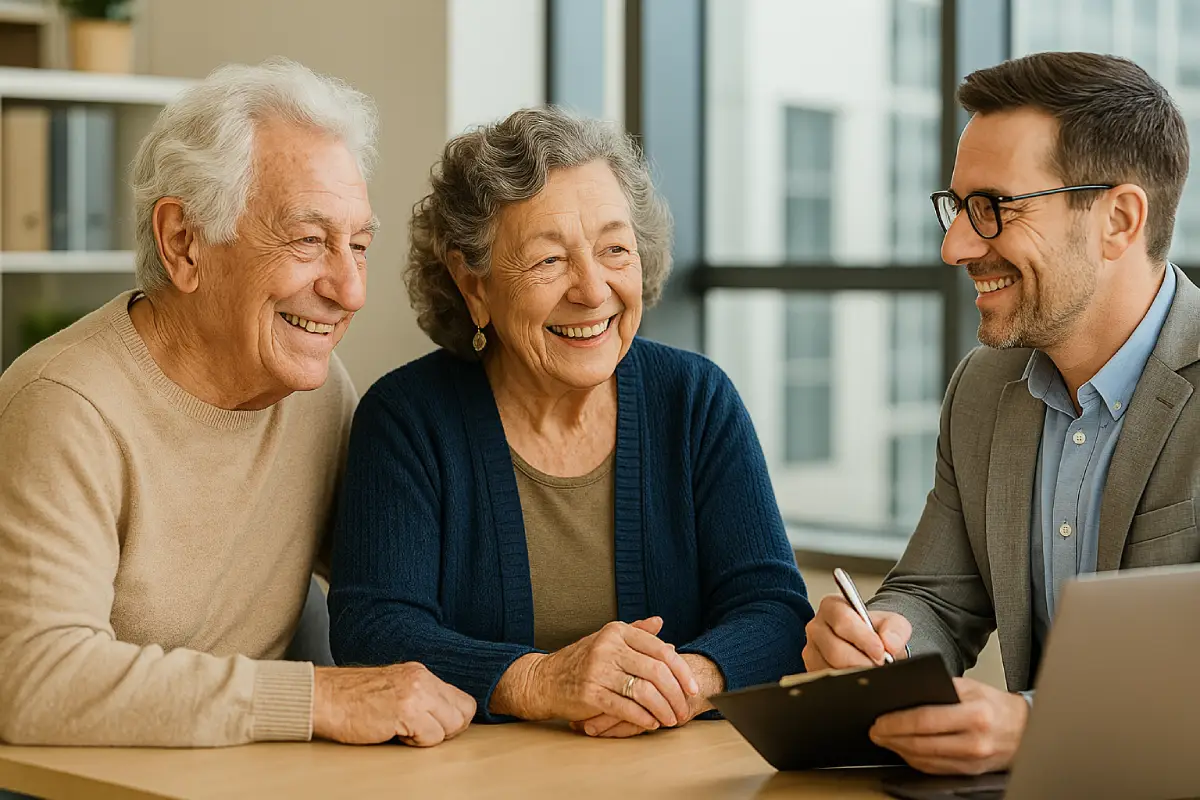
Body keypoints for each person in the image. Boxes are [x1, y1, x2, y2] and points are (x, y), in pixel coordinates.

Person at [0, 59, 474, 749]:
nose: (350, 290)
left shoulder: (314, 390)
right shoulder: (66, 407)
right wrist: (311, 698)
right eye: (310, 240)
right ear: (184, 243)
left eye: (359, 246)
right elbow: (32, 680)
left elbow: (400, 587)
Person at [328, 106, 813, 739]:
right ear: (472, 285)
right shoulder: (408, 419)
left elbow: (775, 611)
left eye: (615, 249)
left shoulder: (697, 400)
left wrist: (682, 684)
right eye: (549, 260)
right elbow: (374, 630)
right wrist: (538, 681)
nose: (593, 289)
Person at [804, 51, 1199, 775]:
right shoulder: (984, 388)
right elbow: (936, 598)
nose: (956, 244)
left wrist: (1037, 727)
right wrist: (883, 644)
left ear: (1118, 219)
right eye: (957, 207)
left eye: (992, 208)